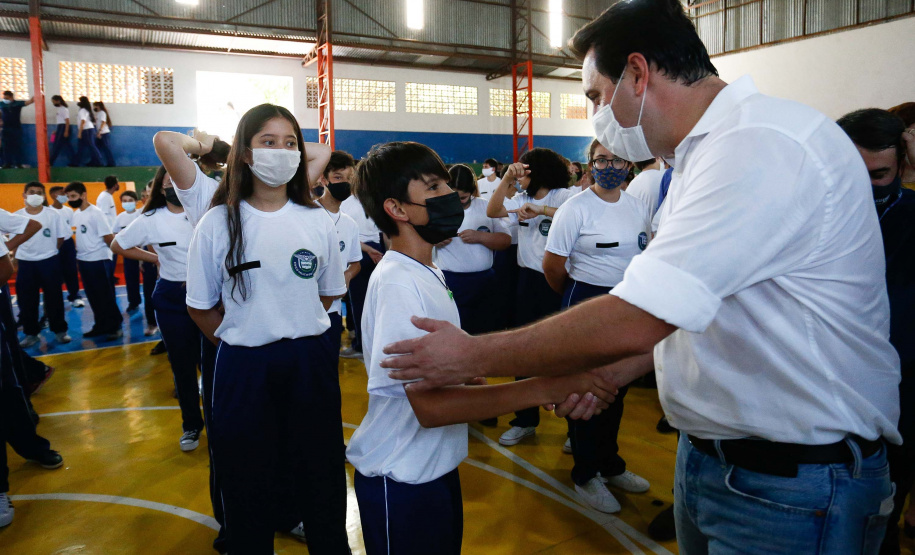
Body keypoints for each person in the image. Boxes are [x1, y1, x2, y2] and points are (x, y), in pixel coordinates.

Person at [380, 2, 902, 554]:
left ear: (637, 73)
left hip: (791, 480)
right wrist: (610, 372)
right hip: (722, 459)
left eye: (595, 96)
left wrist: (470, 357)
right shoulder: (699, 159)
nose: (595, 115)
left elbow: (638, 316)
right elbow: (702, 309)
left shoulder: (761, 144)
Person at [345, 141, 612, 555]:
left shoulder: (428, 268)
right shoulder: (398, 282)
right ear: (396, 208)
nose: (449, 196)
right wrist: (544, 387)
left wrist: (469, 374)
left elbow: (443, 370)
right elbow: (430, 407)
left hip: (433, 467)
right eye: (433, 187)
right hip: (400, 476)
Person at [183, 104, 347, 554]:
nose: (282, 151)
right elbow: (200, 307)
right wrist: (247, 336)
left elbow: (328, 293)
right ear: (245, 153)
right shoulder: (218, 222)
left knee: (321, 475)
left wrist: (290, 322)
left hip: (309, 361)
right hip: (244, 366)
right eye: (268, 142)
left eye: (290, 143)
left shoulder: (316, 219)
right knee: (246, 481)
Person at [543, 139, 652, 513]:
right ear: (590, 164)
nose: (609, 167)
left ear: (629, 164)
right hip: (585, 302)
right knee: (586, 392)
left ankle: (610, 464)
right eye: (601, 160)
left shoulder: (637, 207)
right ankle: (586, 474)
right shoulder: (574, 209)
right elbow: (553, 267)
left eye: (616, 159)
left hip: (626, 303)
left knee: (616, 390)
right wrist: (577, 301)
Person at [837, 108, 915, 555]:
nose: (864, 187)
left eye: (878, 174)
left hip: (900, 397)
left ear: (903, 165)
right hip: (829, 398)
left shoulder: (911, 217)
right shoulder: (815, 215)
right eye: (852, 172)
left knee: (881, 520)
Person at [485, 147, 578, 446]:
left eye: (523, 171)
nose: (520, 178)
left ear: (538, 172)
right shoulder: (521, 199)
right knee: (524, 352)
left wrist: (542, 211)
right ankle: (525, 420)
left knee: (565, 355)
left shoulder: (565, 196)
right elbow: (492, 211)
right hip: (527, 280)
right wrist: (506, 179)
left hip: (558, 281)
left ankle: (574, 427)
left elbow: (578, 216)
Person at [112, 166, 204, 451]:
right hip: (172, 298)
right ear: (160, 188)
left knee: (214, 364)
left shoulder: (208, 212)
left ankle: (220, 421)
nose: (175, 185)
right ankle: (191, 425)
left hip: (210, 296)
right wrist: (154, 259)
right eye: (169, 181)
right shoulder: (150, 219)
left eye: (180, 178)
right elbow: (118, 244)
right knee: (182, 366)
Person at [436, 164, 510, 335]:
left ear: (471, 191)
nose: (458, 202)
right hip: (450, 281)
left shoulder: (486, 207)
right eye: (453, 196)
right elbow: (419, 242)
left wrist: (480, 237)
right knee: (454, 330)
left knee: (484, 330)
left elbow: (505, 241)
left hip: (483, 281)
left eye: (463, 198)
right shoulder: (438, 210)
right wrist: (434, 241)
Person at [12, 182, 71, 348]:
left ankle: (59, 330)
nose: (35, 195)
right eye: (31, 192)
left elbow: (61, 237)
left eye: (39, 192)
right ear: (24, 195)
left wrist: (49, 251)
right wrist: (16, 259)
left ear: (44, 196)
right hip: (26, 263)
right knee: (26, 300)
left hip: (49, 261)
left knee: (54, 298)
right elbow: (14, 241)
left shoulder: (53, 215)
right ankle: (31, 333)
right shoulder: (16, 216)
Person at [315, 152, 362, 358]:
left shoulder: (350, 224)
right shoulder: (307, 214)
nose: (345, 183)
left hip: (333, 311)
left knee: (328, 367)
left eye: (349, 178)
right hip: (306, 309)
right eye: (338, 177)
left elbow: (355, 262)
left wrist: (347, 276)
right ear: (323, 179)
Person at [340, 157, 385, 360]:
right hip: (377, 251)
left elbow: (345, 236)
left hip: (361, 252)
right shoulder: (379, 199)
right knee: (375, 302)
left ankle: (361, 345)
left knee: (360, 303)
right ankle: (372, 343)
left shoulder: (346, 204)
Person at [65, 181, 122, 339]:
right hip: (84, 260)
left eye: (73, 196)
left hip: (99, 259)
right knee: (93, 296)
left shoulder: (96, 213)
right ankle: (101, 325)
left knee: (105, 295)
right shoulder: (77, 214)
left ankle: (115, 327)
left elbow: (108, 237)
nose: (70, 199)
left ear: (83, 195)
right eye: (69, 197)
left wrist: (113, 257)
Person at [48, 186, 84, 307]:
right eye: (62, 193)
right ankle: (55, 300)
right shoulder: (48, 211)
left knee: (71, 270)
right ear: (54, 195)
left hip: (68, 243)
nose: (65, 196)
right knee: (54, 273)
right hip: (53, 244)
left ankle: (75, 296)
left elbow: (71, 227)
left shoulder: (69, 211)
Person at [114, 190, 142, 312]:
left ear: (136, 202)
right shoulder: (120, 217)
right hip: (128, 253)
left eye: (130, 200)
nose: (127, 203)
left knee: (149, 280)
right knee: (131, 279)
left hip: (144, 252)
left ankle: (152, 302)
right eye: (124, 201)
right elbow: (115, 233)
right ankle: (133, 302)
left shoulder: (141, 215)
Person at [0, 91, 34, 168]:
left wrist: (35, 97)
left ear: (11, 97)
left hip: (16, 128)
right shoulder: (2, 104)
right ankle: (8, 163)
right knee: (6, 147)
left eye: (6, 98)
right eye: (4, 98)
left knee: (17, 146)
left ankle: (18, 163)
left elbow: (29, 102)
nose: (5, 99)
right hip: (6, 129)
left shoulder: (17, 103)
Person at [48, 95, 76, 166]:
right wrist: (57, 131)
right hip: (60, 127)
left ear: (58, 101)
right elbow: (60, 121)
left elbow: (67, 121)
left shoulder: (64, 109)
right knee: (67, 146)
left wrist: (66, 131)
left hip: (63, 127)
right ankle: (74, 162)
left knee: (57, 145)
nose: (53, 103)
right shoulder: (60, 109)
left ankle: (50, 162)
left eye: (54, 102)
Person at [93, 101, 115, 167]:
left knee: (106, 148)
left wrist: (99, 132)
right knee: (96, 148)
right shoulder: (98, 113)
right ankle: (95, 162)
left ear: (98, 106)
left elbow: (103, 122)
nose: (94, 107)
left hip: (104, 133)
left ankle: (111, 163)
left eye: (95, 106)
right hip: (100, 133)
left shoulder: (102, 113)